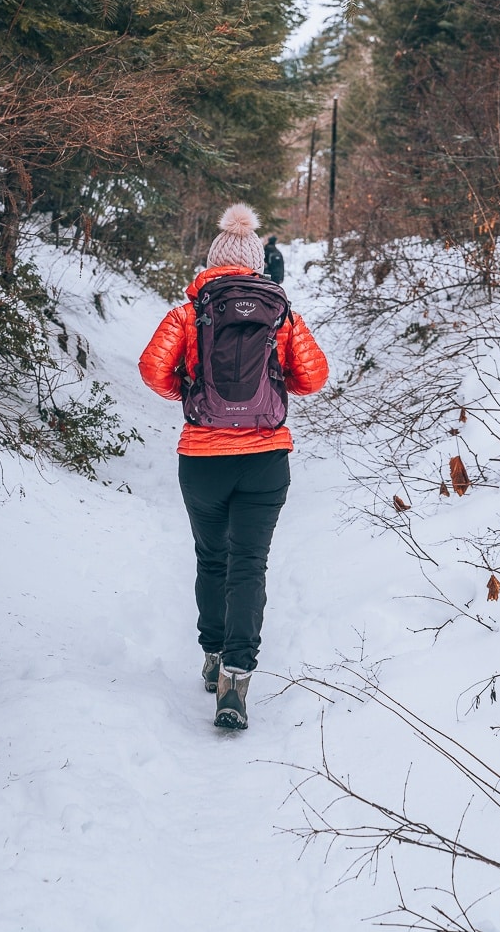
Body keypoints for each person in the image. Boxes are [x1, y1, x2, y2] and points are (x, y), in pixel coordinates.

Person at [138, 204, 328, 730]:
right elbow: (314, 377)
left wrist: (190, 393)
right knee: (250, 561)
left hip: (202, 457)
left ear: (213, 261)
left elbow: (152, 368)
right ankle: (237, 677)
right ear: (255, 263)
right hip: (266, 457)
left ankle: (212, 655)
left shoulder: (190, 310)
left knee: (211, 557)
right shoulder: (280, 310)